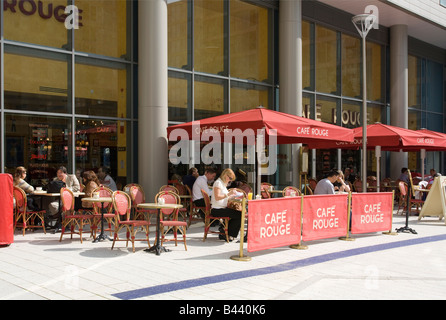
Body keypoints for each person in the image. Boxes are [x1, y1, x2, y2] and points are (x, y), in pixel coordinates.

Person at [210, 168, 241, 241]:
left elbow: (224, 196)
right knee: (239, 215)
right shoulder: (218, 183)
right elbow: (217, 197)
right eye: (230, 178)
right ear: (225, 175)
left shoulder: (222, 184)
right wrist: (228, 194)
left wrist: (232, 196)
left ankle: (224, 231)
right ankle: (226, 233)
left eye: (231, 179)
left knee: (238, 214)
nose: (230, 180)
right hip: (217, 209)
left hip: (221, 208)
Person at [47, 166, 80, 231]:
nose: (59, 174)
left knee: (65, 208)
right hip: (60, 199)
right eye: (58, 172)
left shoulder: (71, 177)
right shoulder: (55, 180)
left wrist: (66, 190)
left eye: (61, 172)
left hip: (71, 199)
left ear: (65, 173)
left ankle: (63, 223)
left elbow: (77, 187)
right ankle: (60, 221)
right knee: (52, 205)